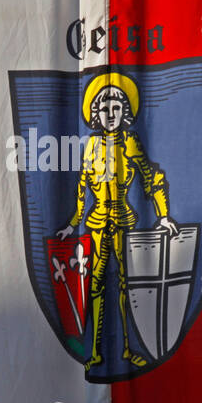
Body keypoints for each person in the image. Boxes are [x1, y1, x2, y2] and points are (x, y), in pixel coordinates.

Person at [56, 72, 177, 372]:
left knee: (127, 284)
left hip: (124, 220)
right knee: (95, 284)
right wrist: (73, 223)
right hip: (97, 223)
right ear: (96, 114)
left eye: (116, 108)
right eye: (105, 109)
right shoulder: (91, 148)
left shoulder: (132, 143)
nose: (111, 114)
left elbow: (153, 178)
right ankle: (94, 351)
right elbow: (83, 188)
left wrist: (162, 215)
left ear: (125, 111)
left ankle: (126, 348)